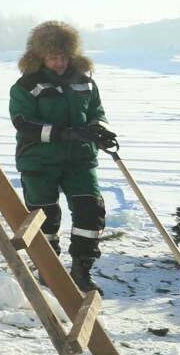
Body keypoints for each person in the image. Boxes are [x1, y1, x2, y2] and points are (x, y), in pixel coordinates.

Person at [9, 20, 117, 293]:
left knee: (90, 212)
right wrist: (65, 133)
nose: (59, 63)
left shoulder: (85, 82)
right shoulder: (26, 85)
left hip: (80, 159)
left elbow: (96, 111)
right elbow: (23, 123)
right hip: (39, 160)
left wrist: (99, 130)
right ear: (40, 57)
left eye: (63, 57)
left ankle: (82, 271)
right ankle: (49, 270)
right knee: (45, 218)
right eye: (52, 57)